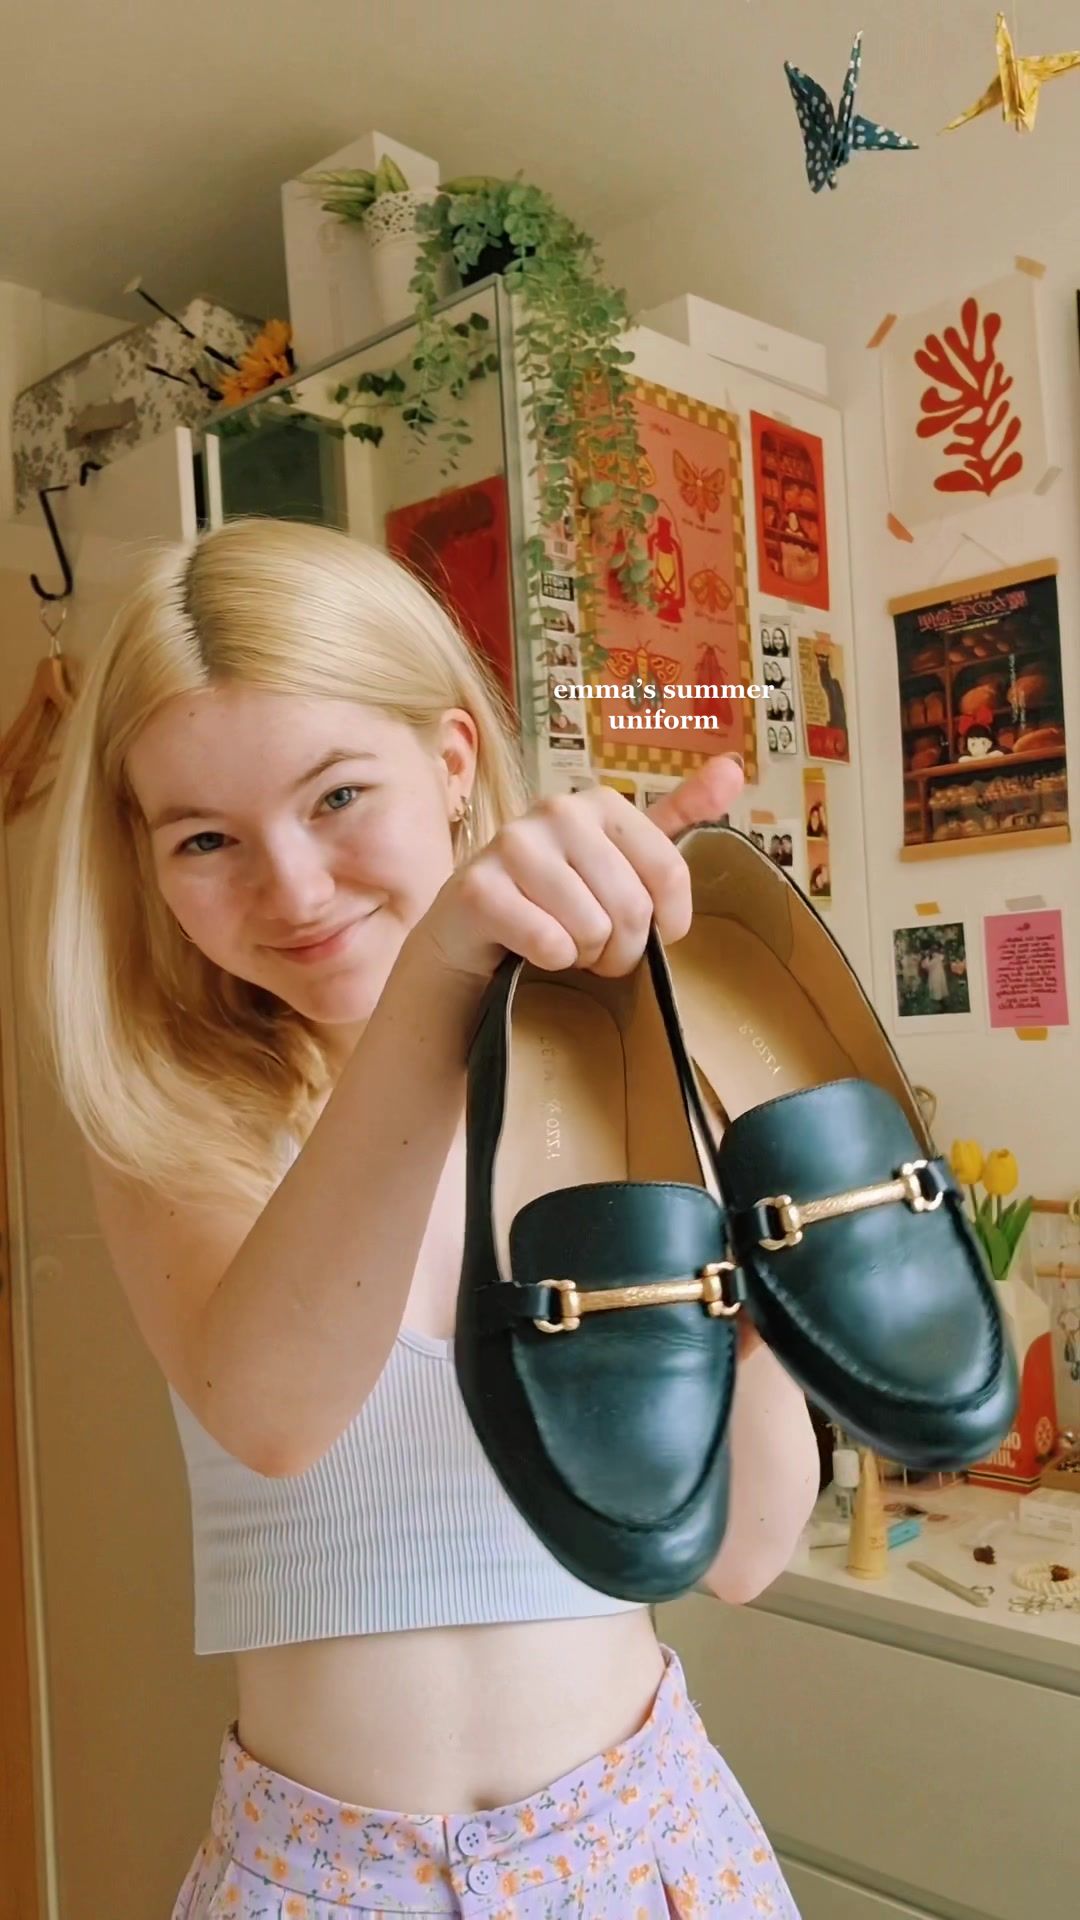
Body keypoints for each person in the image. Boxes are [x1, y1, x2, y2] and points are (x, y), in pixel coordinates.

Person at [30, 519, 813, 1920]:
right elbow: (275, 1413)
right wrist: (445, 976)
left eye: (337, 796)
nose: (293, 888)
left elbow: (746, 1547)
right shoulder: (170, 1121)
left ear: (453, 762)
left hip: (649, 1846)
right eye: (206, 838)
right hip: (323, 1881)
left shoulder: (607, 1086)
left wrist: (679, 1107)